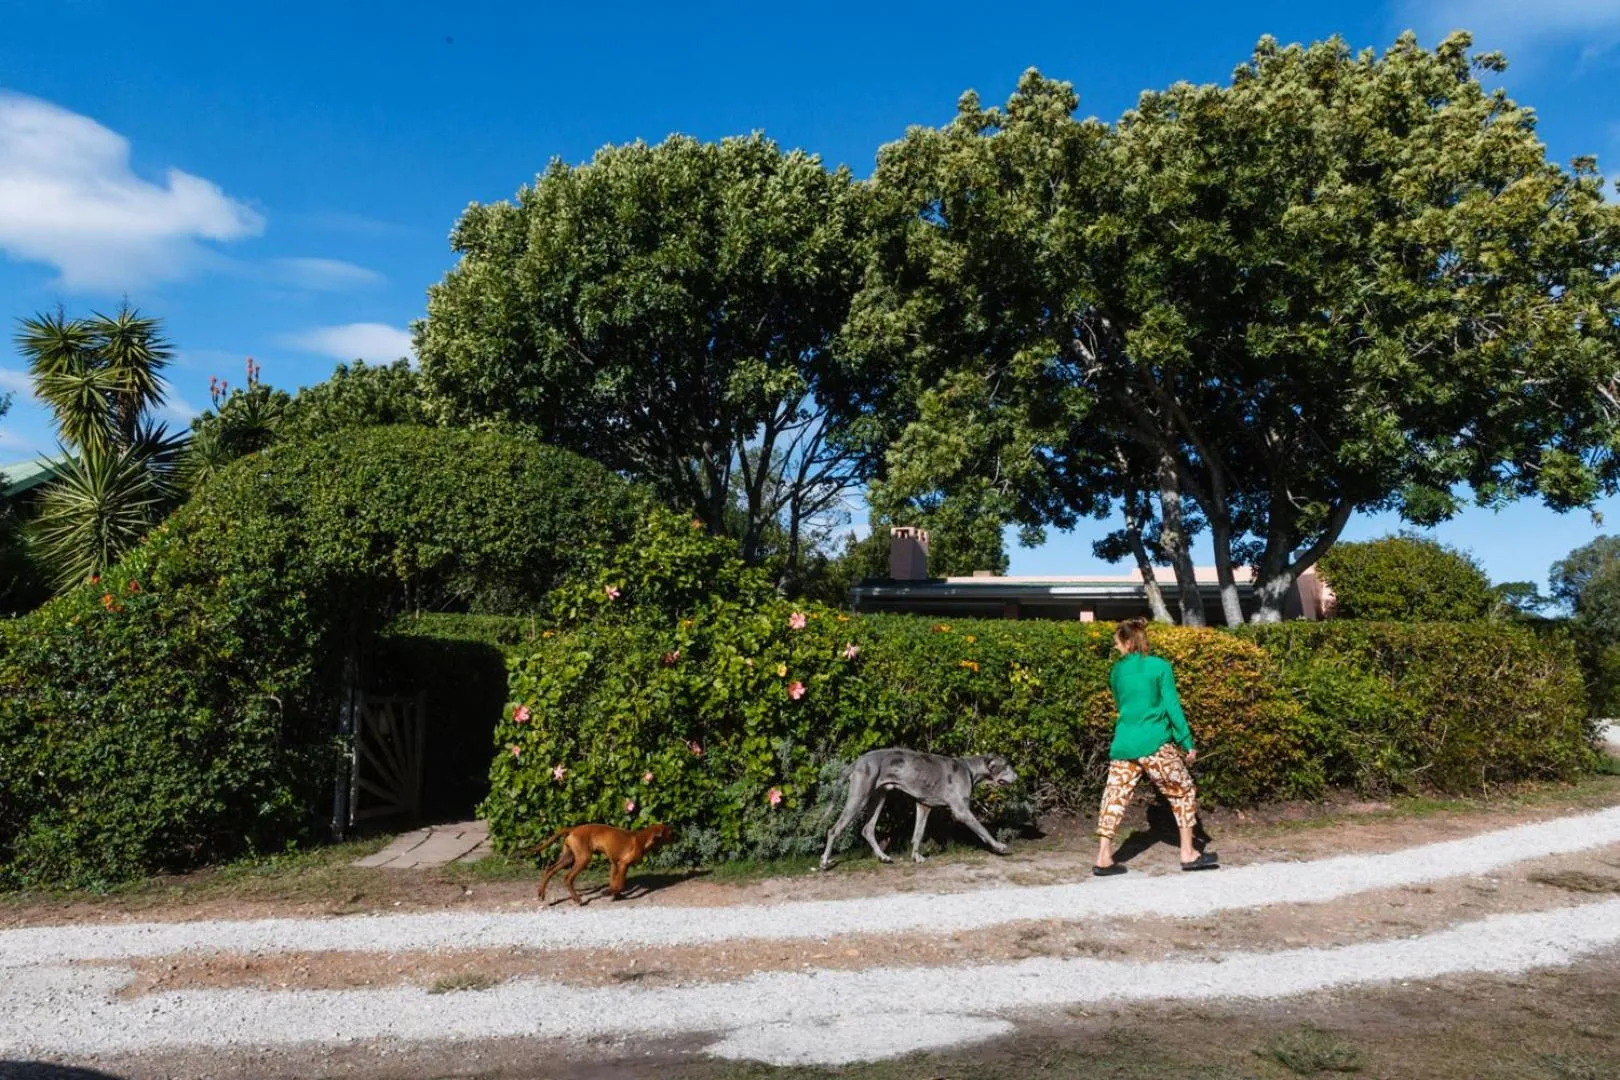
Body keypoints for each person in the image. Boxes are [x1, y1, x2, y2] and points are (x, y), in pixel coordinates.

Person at [1093, 617, 1219, 876]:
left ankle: (1103, 857)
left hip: (1124, 743)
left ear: (1128, 642)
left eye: (1117, 643)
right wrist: (1186, 742)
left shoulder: (1116, 672)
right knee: (1183, 791)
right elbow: (1172, 706)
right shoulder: (1160, 667)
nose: (1116, 648)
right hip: (1154, 744)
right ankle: (1188, 853)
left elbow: (1122, 705)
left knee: (1114, 798)